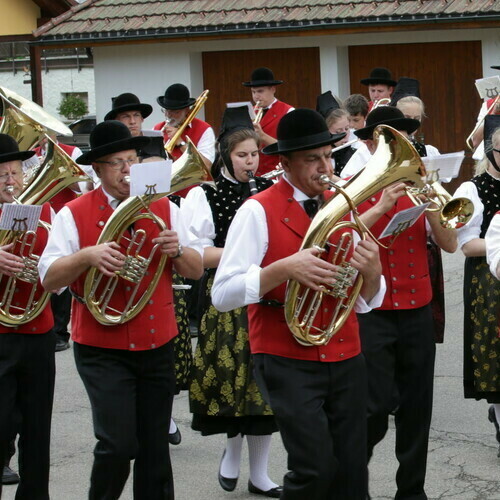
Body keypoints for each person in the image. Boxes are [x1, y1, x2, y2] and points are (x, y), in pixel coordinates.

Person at [212, 108, 386, 499]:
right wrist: (282, 269)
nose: (325, 166)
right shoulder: (256, 210)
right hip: (284, 355)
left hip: (346, 352)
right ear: (286, 163)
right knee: (314, 468)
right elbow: (221, 294)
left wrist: (372, 271)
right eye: (312, 159)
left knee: (353, 469)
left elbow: (367, 301)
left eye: (327, 155)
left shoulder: (342, 205)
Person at [38, 120, 204, 499]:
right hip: (101, 345)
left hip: (157, 340)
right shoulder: (73, 213)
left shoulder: (164, 205)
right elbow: (49, 279)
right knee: (116, 445)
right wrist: (86, 255)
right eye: (118, 163)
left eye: (133, 160)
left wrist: (177, 250)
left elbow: (195, 272)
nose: (129, 170)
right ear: (97, 169)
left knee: (154, 450)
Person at [355, 124, 457, 498]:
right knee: (372, 407)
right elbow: (340, 236)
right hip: (373, 309)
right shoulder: (355, 184)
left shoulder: (421, 188)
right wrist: (381, 205)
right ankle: (354, 481)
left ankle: (412, 491)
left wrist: (431, 209)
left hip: (417, 307)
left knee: (417, 408)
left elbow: (449, 245)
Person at [183, 107, 280, 497]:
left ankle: (260, 472)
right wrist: (242, 251)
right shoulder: (203, 194)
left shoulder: (268, 189)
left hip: (266, 292)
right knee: (232, 379)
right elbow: (194, 254)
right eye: (242, 155)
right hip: (225, 296)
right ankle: (230, 452)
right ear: (225, 156)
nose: (251, 162)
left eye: (255, 154)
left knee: (263, 385)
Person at [0, 134, 56, 499]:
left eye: (16, 172)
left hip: (38, 330)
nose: (10, 180)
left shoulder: (45, 211)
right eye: (1, 174)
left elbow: (59, 270)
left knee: (38, 432)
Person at [456, 116, 500, 458]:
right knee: (496, 358)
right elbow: (468, 245)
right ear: (491, 151)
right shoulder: (472, 189)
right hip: (489, 281)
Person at [341, 106, 422, 180]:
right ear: (370, 145)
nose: (403, 149)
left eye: (406, 141)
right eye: (392, 143)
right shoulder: (349, 182)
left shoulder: (416, 178)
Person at [242, 67, 294, 176]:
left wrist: (262, 136)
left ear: (273, 89)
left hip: (277, 174)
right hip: (253, 174)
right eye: (253, 92)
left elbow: (291, 148)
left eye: (260, 91)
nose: (256, 96)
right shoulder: (248, 112)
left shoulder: (289, 111)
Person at [154, 83, 215, 167]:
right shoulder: (157, 129)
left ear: (186, 110)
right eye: (166, 110)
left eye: (175, 112)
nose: (168, 115)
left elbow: (207, 165)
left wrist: (180, 142)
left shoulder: (204, 130)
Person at [105, 92, 166, 160]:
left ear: (142, 119)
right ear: (116, 121)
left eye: (136, 115)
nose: (132, 121)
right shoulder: (109, 148)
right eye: (126, 116)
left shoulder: (157, 140)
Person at [316, 91, 355, 176]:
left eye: (347, 128)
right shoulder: (316, 156)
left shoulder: (358, 150)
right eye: (338, 131)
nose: (345, 135)